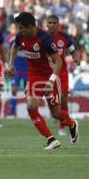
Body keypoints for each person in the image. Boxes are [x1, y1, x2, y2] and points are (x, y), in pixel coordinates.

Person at [8, 12, 79, 149]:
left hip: (50, 77)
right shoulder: (21, 36)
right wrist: (10, 64)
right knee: (31, 107)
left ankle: (72, 124)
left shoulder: (45, 39)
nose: (20, 31)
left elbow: (58, 61)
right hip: (34, 77)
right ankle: (51, 139)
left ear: (30, 26)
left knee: (57, 113)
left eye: (22, 28)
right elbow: (14, 47)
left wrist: (51, 81)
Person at [46, 14, 77, 136]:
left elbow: (73, 49)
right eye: (50, 23)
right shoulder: (42, 37)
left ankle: (62, 126)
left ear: (58, 25)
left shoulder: (64, 37)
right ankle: (56, 114)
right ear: (46, 24)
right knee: (51, 100)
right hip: (47, 72)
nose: (52, 25)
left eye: (54, 23)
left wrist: (76, 60)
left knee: (63, 99)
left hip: (62, 72)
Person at [8, 41, 28, 118]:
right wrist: (10, 65)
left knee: (29, 92)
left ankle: (31, 112)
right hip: (17, 69)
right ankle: (12, 113)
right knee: (14, 90)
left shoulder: (31, 41)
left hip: (28, 69)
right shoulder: (14, 42)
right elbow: (10, 54)